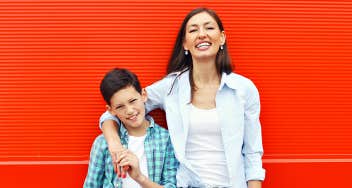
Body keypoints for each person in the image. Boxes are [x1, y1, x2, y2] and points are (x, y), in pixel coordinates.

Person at [100, 7, 265, 188]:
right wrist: (114, 143)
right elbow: (117, 112)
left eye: (209, 28)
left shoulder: (243, 89)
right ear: (185, 44)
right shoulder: (171, 87)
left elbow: (252, 152)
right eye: (193, 30)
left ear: (222, 38)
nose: (202, 34)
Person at [84, 68, 178, 188]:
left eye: (132, 101)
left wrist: (139, 177)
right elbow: (91, 185)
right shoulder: (102, 143)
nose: (129, 111)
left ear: (143, 95)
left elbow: (171, 184)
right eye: (120, 106)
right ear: (111, 110)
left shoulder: (166, 140)